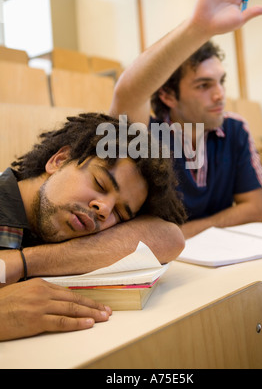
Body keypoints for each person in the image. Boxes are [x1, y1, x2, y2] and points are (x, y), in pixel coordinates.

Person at [110, 0, 262, 239]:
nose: (220, 95)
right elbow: (128, 94)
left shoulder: (235, 128)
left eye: (221, 82)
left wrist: (181, 234)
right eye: (203, 85)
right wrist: (198, 27)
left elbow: (254, 208)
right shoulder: (144, 137)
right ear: (168, 96)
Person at [0, 112, 186, 340]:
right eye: (100, 183)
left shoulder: (58, 223)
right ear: (59, 161)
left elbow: (169, 237)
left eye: (119, 212)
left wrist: (24, 262)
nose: (104, 210)